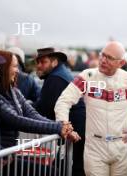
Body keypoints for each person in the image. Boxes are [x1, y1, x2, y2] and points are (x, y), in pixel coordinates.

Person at [55, 41, 127, 176]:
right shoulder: (87, 76)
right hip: (95, 148)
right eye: (102, 55)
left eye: (109, 58)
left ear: (121, 63)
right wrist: (65, 127)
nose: (103, 60)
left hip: (122, 147)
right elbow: (63, 102)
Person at [35, 47, 86, 176]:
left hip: (75, 131)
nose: (39, 66)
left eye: (43, 62)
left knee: (64, 169)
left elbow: (42, 108)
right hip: (75, 129)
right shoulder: (60, 73)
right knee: (66, 167)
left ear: (54, 62)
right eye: (38, 62)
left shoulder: (55, 78)